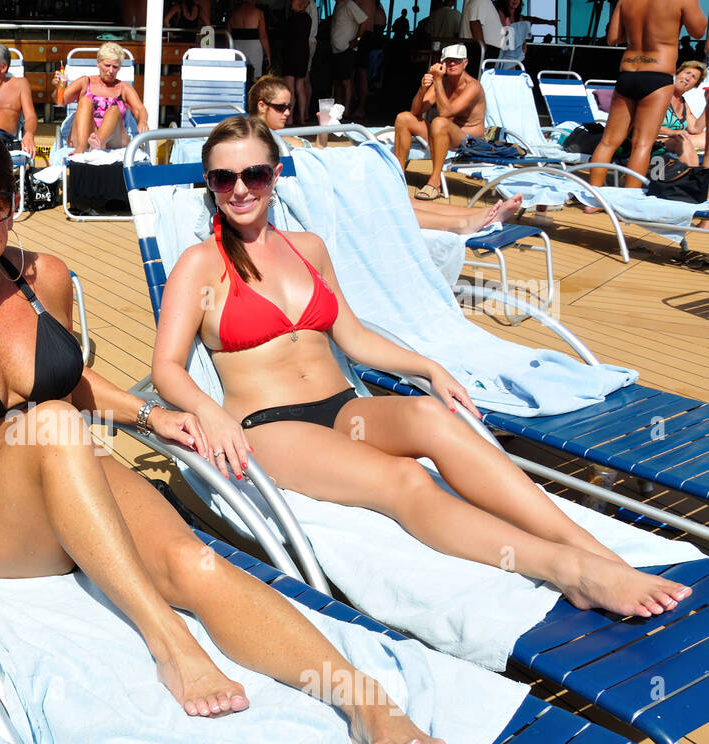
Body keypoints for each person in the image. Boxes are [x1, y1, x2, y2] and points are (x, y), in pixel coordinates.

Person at [0, 122, 449, 744]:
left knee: (195, 561)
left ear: (12, 207)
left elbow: (72, 384)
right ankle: (170, 641)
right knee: (49, 425)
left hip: (72, 469)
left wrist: (152, 417)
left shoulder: (43, 280)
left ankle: (363, 700)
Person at [152, 116, 692, 631]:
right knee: (405, 479)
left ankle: (596, 551)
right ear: (210, 184)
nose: (240, 189)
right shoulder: (200, 264)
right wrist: (208, 412)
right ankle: (570, 571)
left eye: (255, 174)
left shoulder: (308, 249)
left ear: (275, 175)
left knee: (432, 417)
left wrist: (430, 367)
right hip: (270, 426)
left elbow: (354, 337)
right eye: (224, 178)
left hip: (344, 406)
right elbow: (167, 368)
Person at [251, 74, 522, 231]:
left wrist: (324, 129)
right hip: (322, 188)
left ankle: (471, 215)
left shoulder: (283, 136)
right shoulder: (256, 137)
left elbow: (318, 151)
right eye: (280, 108)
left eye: (289, 107)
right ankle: (464, 223)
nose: (288, 113)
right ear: (261, 106)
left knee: (396, 197)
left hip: (331, 176)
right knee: (386, 203)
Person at [588, 0, 707, 189]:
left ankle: (591, 200)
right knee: (642, 144)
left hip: (628, 72)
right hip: (658, 75)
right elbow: (698, 31)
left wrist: (641, 29)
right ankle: (628, 200)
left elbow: (613, 38)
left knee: (608, 142)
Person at [392, 43, 487, 200]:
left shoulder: (473, 87)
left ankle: (434, 182)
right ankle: (398, 174)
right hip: (442, 134)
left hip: (468, 141)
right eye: (448, 60)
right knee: (403, 118)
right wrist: (423, 89)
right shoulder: (442, 83)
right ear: (442, 63)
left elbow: (446, 112)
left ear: (465, 63)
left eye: (457, 60)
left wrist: (437, 81)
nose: (452, 64)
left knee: (439, 121)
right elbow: (416, 111)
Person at [56, 41, 149, 155]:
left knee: (114, 110)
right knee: (85, 101)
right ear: (98, 63)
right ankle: (81, 148)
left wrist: (143, 121)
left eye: (115, 67)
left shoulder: (124, 88)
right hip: (85, 137)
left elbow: (140, 109)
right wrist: (59, 87)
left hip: (112, 139)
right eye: (107, 65)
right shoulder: (85, 82)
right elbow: (61, 101)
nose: (110, 71)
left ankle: (97, 143)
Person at [655, 60, 707, 168]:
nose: (688, 78)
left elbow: (695, 129)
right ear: (677, 74)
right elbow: (645, 126)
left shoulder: (683, 103)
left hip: (675, 140)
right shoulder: (660, 95)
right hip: (651, 141)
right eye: (687, 73)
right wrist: (673, 132)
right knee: (682, 142)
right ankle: (694, 179)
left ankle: (703, 178)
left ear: (695, 86)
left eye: (694, 77)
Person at [329, 0, 370, 119]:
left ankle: (346, 110)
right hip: (336, 49)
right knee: (337, 82)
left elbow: (364, 20)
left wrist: (357, 39)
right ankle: (338, 111)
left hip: (346, 49)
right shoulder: (338, 5)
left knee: (346, 81)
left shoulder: (349, 4)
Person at [280, 0, 315, 124]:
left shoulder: (292, 18)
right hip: (303, 53)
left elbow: (286, 36)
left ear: (298, 3)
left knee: (290, 89)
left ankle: (289, 119)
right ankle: (301, 117)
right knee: (300, 87)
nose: (290, 3)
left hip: (291, 53)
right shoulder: (308, 18)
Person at [228, 0, 270, 80]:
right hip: (254, 47)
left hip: (236, 45)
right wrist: (268, 54)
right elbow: (263, 36)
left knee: (238, 74)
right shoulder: (258, 13)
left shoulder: (233, 13)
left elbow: (228, 33)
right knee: (254, 76)